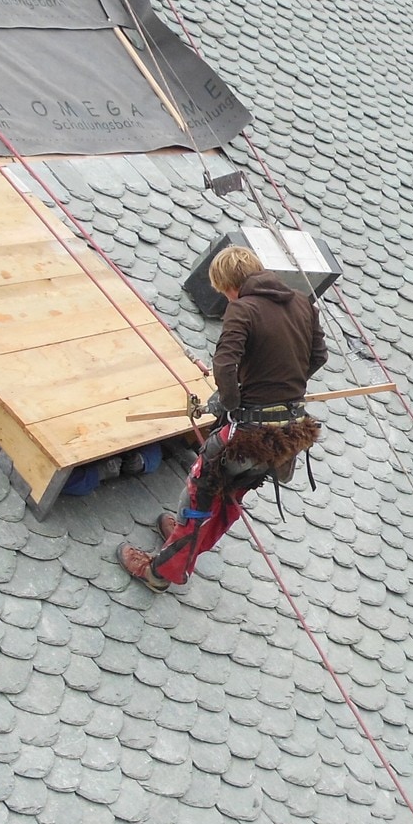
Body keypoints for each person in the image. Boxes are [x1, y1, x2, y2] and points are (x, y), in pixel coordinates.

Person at [119, 244, 326, 590]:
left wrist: (232, 403)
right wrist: (282, 385)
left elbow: (224, 365)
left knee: (200, 493)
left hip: (247, 433)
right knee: (230, 495)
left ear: (230, 286)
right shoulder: (302, 301)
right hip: (287, 434)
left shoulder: (243, 309)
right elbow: (318, 354)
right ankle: (188, 542)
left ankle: (161, 573)